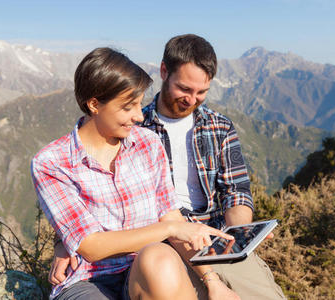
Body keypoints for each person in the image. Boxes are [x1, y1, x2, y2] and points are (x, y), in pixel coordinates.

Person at [50, 35, 287, 299]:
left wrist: (240, 234)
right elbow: (92, 193)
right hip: (157, 243)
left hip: (212, 238)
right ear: (164, 72)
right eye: (184, 89)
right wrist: (66, 241)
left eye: (202, 92)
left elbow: (236, 191)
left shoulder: (220, 127)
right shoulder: (133, 129)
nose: (192, 99)